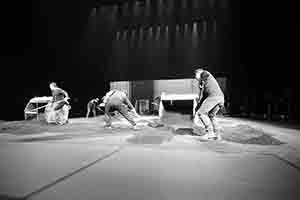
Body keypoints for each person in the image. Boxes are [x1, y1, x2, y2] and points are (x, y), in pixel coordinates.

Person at [194, 68, 224, 140]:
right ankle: (217, 134)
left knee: (201, 113)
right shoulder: (204, 83)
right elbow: (203, 97)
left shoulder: (205, 74)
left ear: (198, 74)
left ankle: (210, 133)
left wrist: (201, 79)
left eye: (195, 76)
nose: (196, 78)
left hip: (214, 97)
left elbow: (205, 74)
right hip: (220, 98)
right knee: (211, 116)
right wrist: (198, 106)